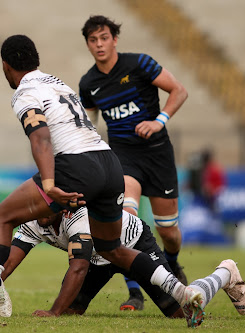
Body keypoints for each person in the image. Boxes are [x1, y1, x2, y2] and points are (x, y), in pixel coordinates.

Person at [0, 34, 208, 327]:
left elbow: (40, 137)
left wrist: (50, 183)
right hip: (109, 162)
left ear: (6, 66)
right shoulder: (57, 82)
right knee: (111, 249)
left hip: (75, 164)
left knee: (2, 217)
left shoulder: (24, 92)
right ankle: (182, 290)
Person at [0, 208, 245, 327]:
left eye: (44, 211)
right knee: (73, 311)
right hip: (98, 257)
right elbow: (11, 257)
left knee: (181, 314)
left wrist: (53, 311)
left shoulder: (78, 217)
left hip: (133, 245)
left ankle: (225, 272)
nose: (39, 215)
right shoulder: (37, 216)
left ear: (62, 210)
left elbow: (77, 268)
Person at [78, 15, 189, 311]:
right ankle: (135, 293)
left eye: (104, 38)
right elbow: (90, 126)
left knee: (169, 231)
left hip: (158, 155)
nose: (99, 44)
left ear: (114, 39)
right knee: (125, 221)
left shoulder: (139, 63)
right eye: (93, 40)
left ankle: (173, 263)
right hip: (123, 159)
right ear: (88, 44)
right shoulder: (89, 83)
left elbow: (179, 90)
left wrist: (158, 121)